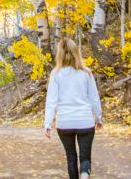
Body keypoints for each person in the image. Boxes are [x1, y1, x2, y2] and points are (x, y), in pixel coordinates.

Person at [43, 38, 102, 179]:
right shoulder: (86, 72)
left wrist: (47, 124)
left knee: (71, 158)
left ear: (59, 54)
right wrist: (98, 117)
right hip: (85, 121)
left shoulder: (56, 74)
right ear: (76, 52)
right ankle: (84, 176)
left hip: (65, 122)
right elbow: (94, 98)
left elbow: (51, 101)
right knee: (85, 158)